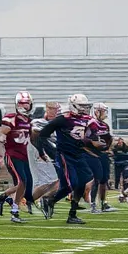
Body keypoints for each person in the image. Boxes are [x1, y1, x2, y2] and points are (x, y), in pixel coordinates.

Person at [35, 93, 95, 224]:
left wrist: (91, 143)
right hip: (65, 155)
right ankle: (50, 200)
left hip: (79, 155)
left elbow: (89, 137)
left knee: (82, 183)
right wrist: (43, 151)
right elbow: (43, 134)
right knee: (71, 183)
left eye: (85, 106)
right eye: (81, 106)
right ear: (73, 106)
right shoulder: (63, 119)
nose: (84, 109)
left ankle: (71, 214)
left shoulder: (86, 120)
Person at [0, 91, 33, 223]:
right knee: (22, 182)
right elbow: (3, 131)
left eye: (27, 103)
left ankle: (7, 201)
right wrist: (2, 137)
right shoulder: (12, 118)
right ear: (17, 105)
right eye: (22, 103)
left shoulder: (28, 120)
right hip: (13, 155)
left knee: (25, 184)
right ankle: (12, 208)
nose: (25, 106)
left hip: (24, 156)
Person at [27, 101, 62, 217]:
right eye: (51, 109)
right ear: (46, 109)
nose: (53, 111)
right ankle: (29, 200)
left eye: (55, 109)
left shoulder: (59, 123)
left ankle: (43, 200)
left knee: (61, 183)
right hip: (42, 155)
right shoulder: (38, 122)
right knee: (50, 182)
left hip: (55, 155)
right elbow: (33, 134)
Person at [86, 103, 115, 214]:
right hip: (94, 154)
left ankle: (103, 203)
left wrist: (108, 148)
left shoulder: (104, 125)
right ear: (96, 111)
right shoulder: (91, 124)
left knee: (104, 180)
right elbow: (87, 140)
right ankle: (93, 204)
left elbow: (108, 138)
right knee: (96, 179)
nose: (105, 114)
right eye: (103, 111)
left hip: (103, 154)